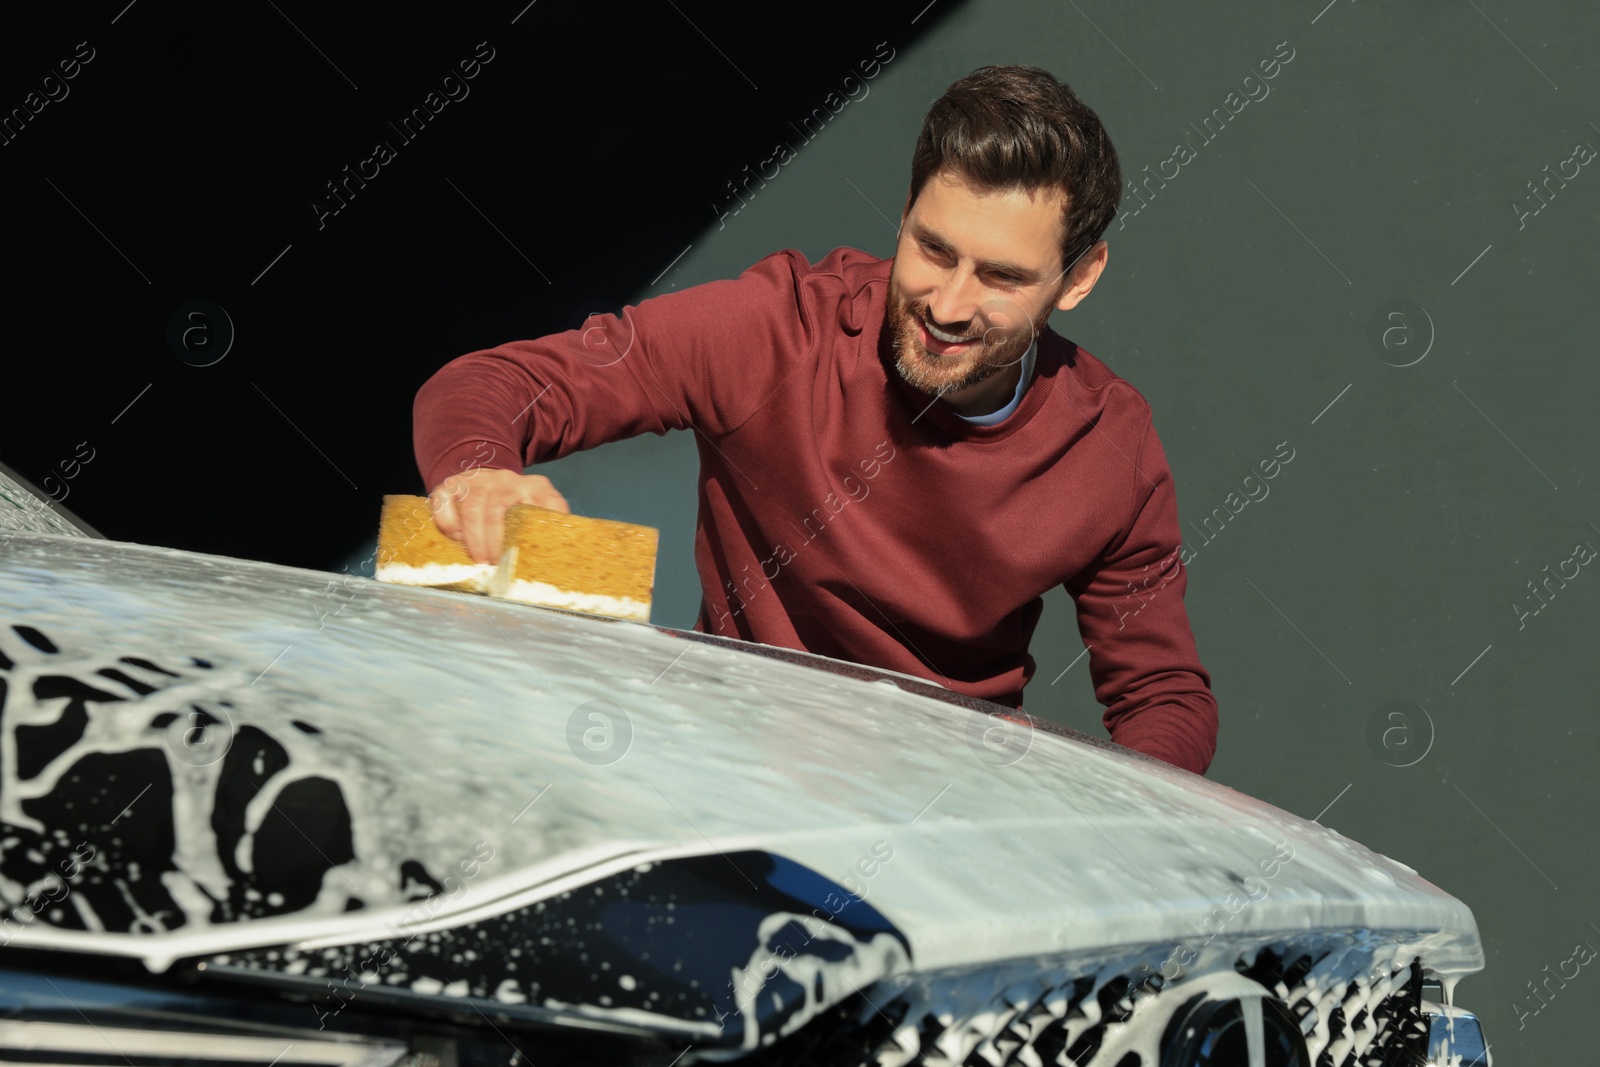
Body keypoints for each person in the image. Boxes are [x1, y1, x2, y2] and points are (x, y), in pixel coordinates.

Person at [414, 65, 1218, 775]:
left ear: (1077, 279)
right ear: (903, 214)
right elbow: (491, 381)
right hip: (717, 756)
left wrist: (1105, 830)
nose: (948, 305)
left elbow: (1164, 695)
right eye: (934, 250)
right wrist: (482, 472)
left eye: (1001, 277)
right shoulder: (779, 332)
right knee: (477, 584)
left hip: (949, 807)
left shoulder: (1109, 446)